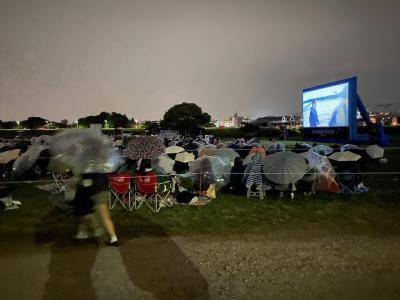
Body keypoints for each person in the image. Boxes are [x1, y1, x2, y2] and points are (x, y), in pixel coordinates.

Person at [74, 173, 118, 246]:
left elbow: (86, 180)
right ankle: (113, 238)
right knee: (103, 216)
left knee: (90, 214)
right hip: (102, 189)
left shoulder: (89, 167)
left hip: (94, 191)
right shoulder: (100, 165)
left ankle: (87, 233)